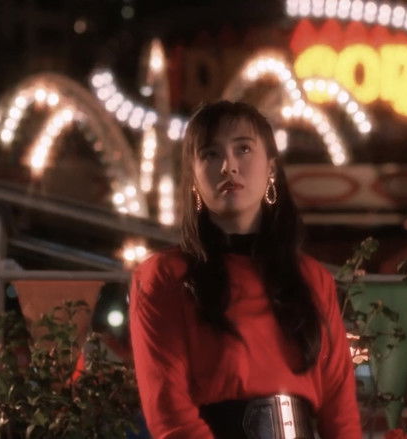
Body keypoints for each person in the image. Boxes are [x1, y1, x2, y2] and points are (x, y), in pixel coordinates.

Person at [128, 101, 361, 438]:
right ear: (193, 178)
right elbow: (169, 412)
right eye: (211, 154)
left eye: (243, 149)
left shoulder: (312, 278)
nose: (229, 166)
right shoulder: (165, 276)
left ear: (271, 168)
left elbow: (341, 413)